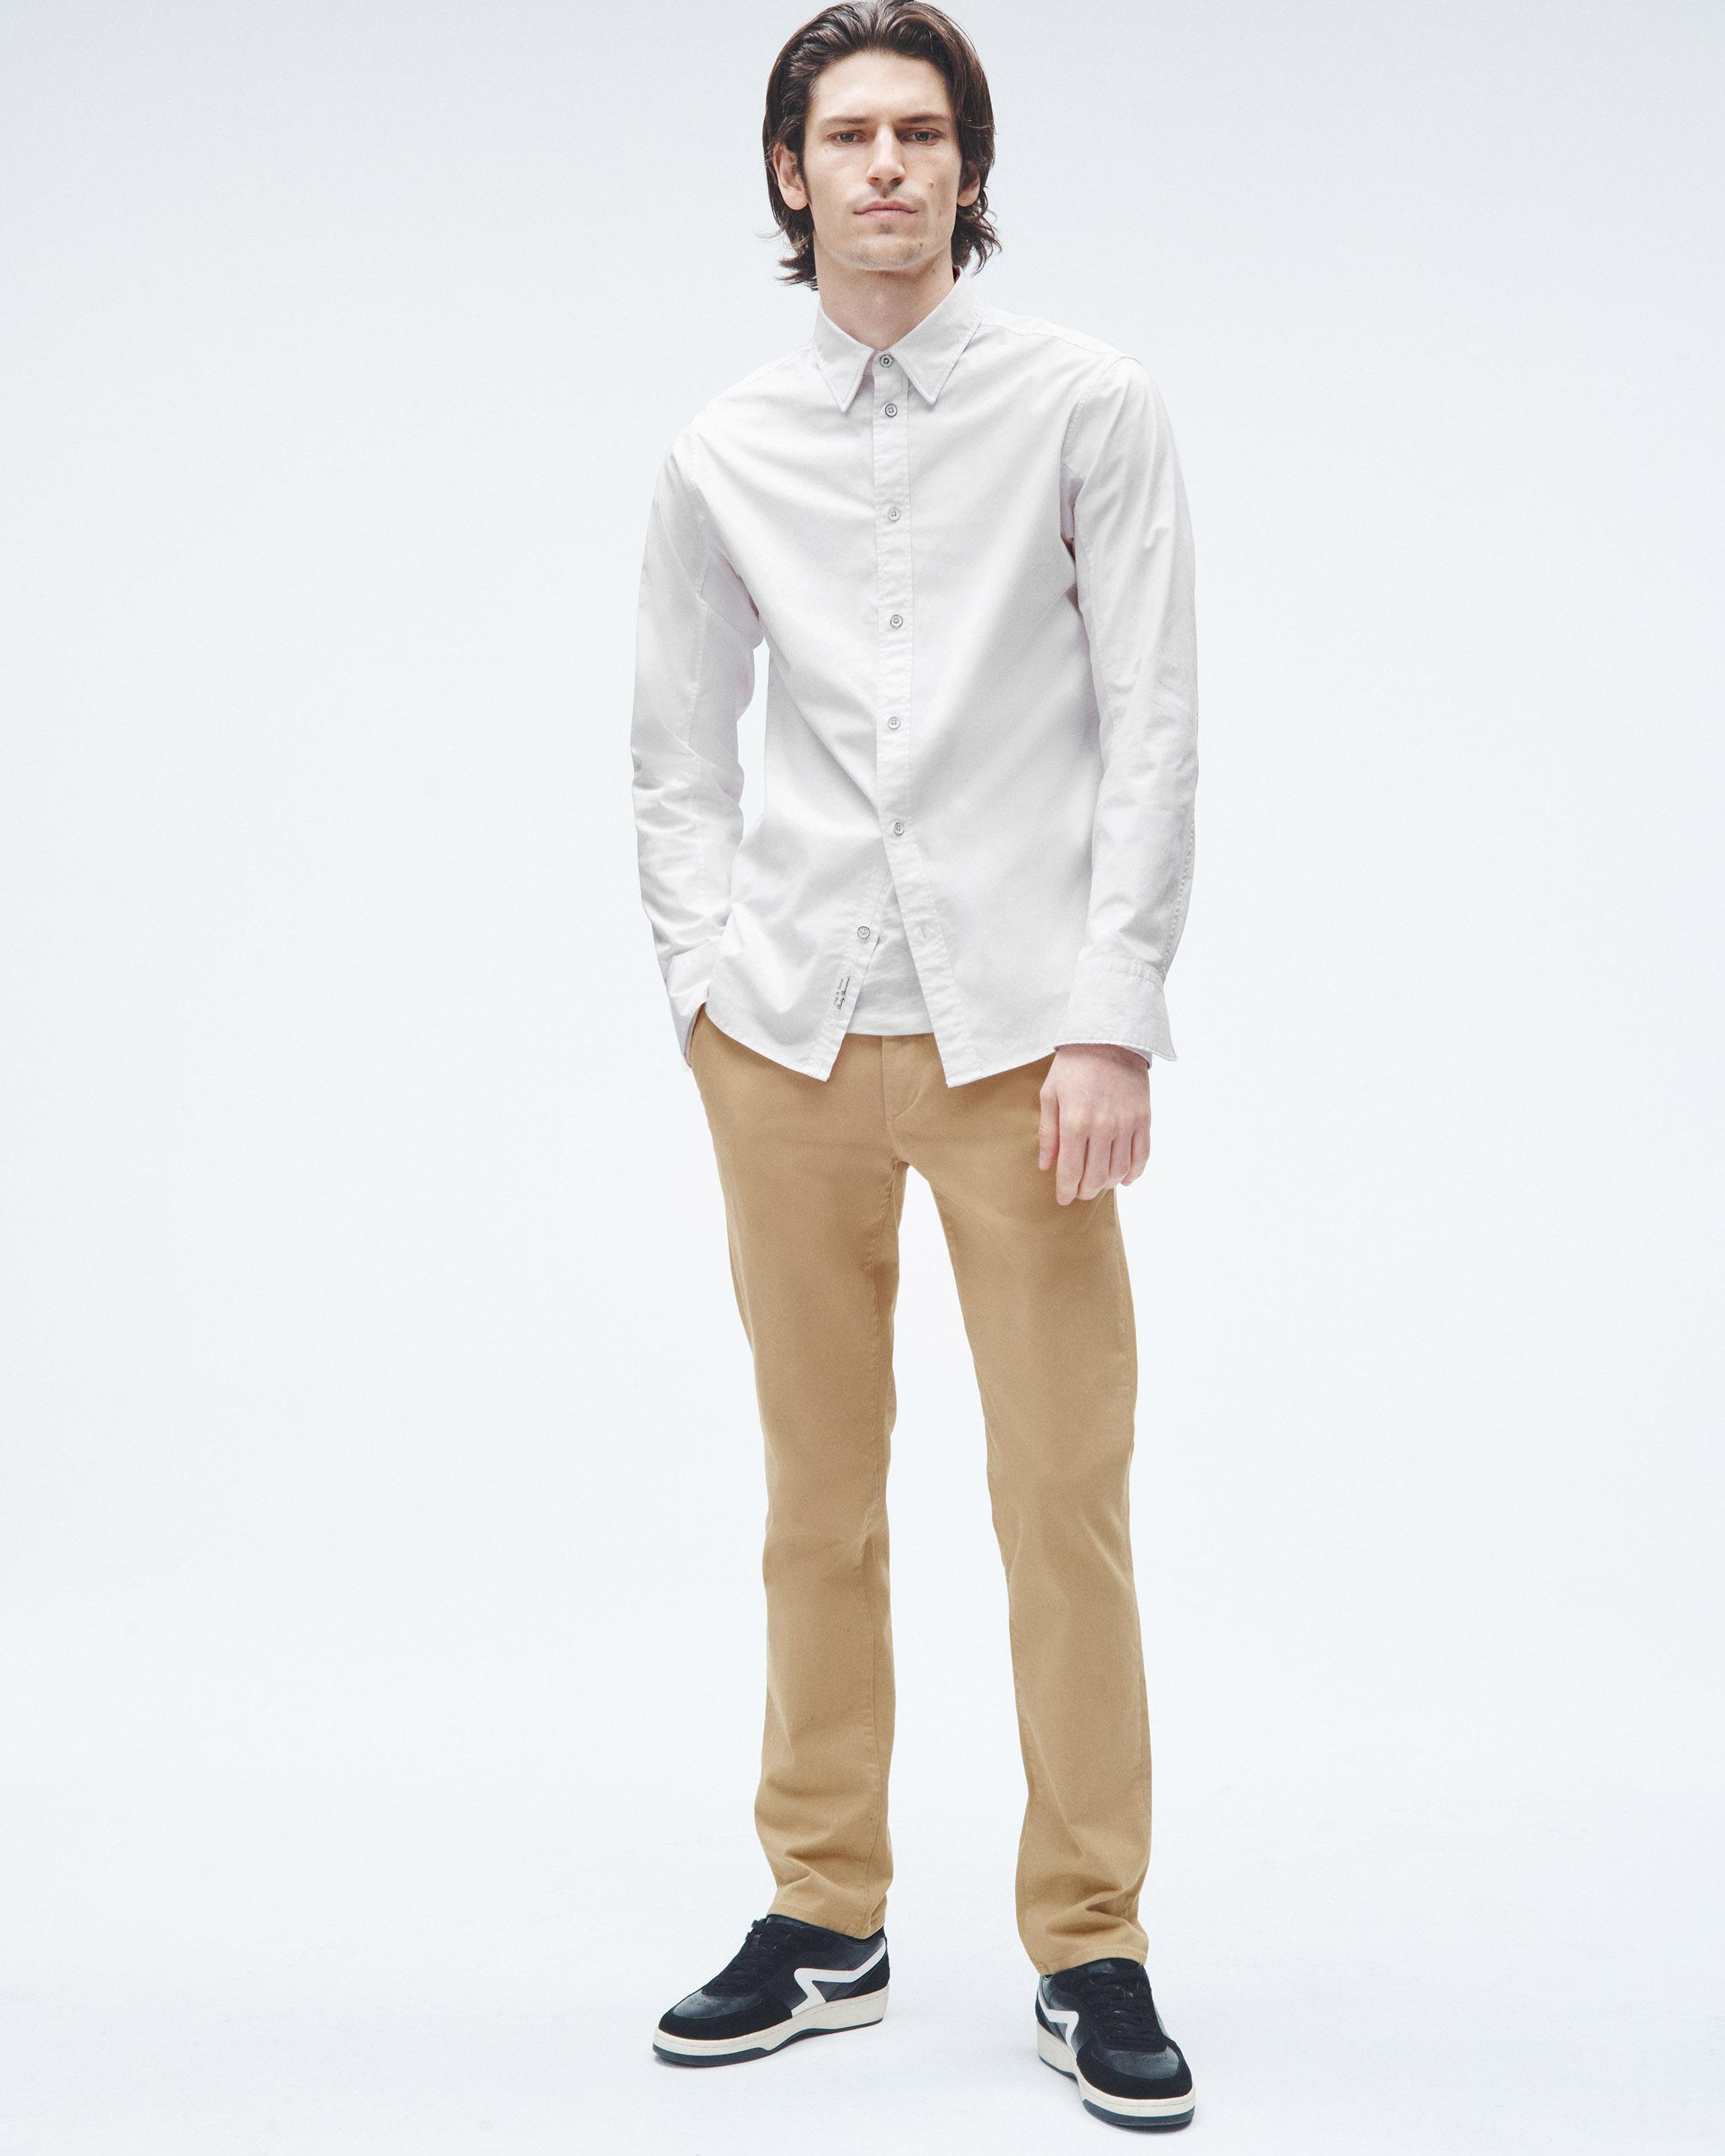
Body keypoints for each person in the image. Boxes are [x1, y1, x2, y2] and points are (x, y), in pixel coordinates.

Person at [627, 1, 1199, 2131]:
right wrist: (703, 992)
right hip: (784, 1038)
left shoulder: (1085, 405)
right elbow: (675, 750)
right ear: (790, 176)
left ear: (969, 168)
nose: (888, 166)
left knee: (1061, 1496)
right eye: (850, 135)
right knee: (816, 1501)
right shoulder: (721, 450)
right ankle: (824, 1911)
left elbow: (1152, 722)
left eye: (923, 133)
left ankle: (1091, 1935)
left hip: (1024, 1050)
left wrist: (1112, 1011)